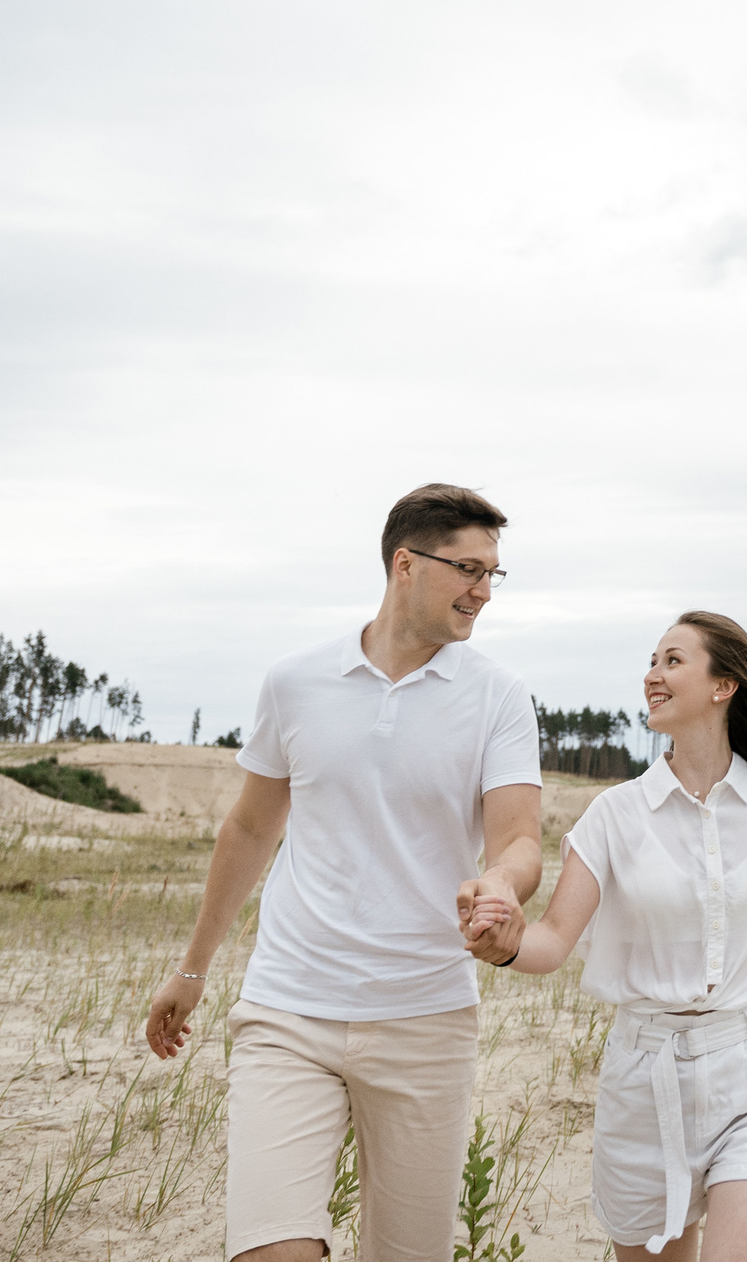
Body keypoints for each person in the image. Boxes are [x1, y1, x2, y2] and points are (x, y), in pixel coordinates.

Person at [144, 484, 545, 1262]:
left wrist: (501, 883)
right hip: (289, 1006)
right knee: (268, 1249)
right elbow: (252, 826)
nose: (484, 591)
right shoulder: (296, 681)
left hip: (425, 1016)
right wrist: (192, 968)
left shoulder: (498, 695)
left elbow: (520, 835)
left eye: (495, 573)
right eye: (468, 568)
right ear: (405, 563)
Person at [463, 611, 747, 1261]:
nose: (653, 674)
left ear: (724, 685)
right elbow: (551, 938)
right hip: (645, 1080)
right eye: (652, 661)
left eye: (674, 660)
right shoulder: (615, 816)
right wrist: (508, 943)